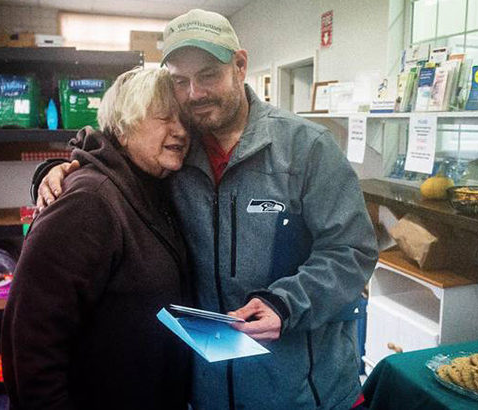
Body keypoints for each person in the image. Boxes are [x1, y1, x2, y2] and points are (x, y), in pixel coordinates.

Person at [34, 9, 378, 410]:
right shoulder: (177, 153)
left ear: (240, 65)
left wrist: (286, 303)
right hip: (209, 391)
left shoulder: (307, 148)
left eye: (209, 74)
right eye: (181, 81)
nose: (195, 93)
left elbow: (352, 251)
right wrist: (61, 168)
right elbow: (115, 145)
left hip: (302, 391)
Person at [2, 67, 192, 409]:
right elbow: (30, 341)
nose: (180, 131)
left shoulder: (155, 187)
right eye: (164, 117)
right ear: (123, 125)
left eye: (184, 120)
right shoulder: (90, 200)